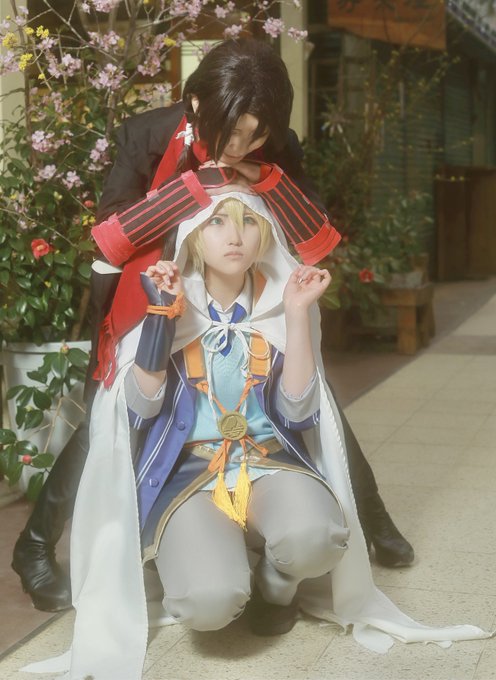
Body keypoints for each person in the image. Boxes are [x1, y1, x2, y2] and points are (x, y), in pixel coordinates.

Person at [12, 37, 412, 615]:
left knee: (312, 395)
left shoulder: (276, 142)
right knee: (110, 418)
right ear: (196, 103)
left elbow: (316, 238)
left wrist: (267, 178)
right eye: (232, 132)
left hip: (243, 290)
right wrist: (195, 189)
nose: (242, 146)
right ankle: (34, 546)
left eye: (256, 134)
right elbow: (110, 237)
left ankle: (370, 520)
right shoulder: (147, 135)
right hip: (156, 288)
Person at [21, 193, 490, 680]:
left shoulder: (279, 303)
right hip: (188, 477)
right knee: (209, 604)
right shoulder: (169, 296)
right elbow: (139, 410)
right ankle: (210, 559)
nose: (234, 235)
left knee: (317, 538)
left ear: (265, 232)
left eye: (247, 221)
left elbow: (299, 411)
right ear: (193, 237)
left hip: (267, 462)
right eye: (217, 222)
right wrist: (161, 316)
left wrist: (297, 314)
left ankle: (276, 587)